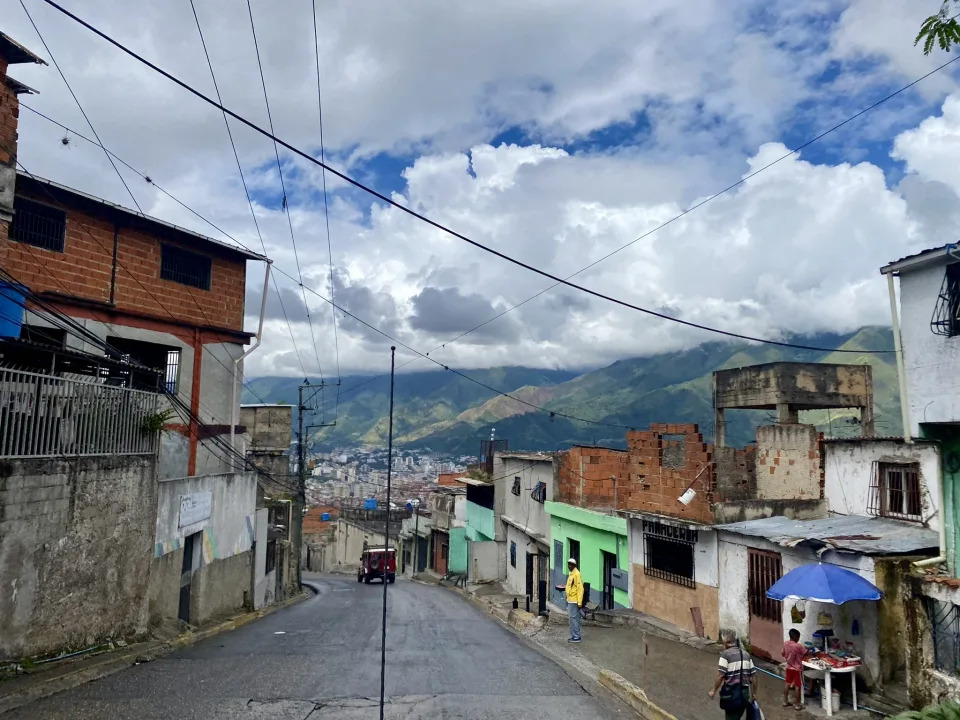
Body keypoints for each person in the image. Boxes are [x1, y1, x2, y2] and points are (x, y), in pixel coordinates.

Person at [708, 630, 757, 720]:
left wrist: (713, 690)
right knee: (738, 715)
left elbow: (720, 675)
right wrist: (754, 694)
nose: (723, 645)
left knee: (731, 717)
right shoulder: (746, 654)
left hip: (732, 694)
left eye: (724, 643)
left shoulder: (725, 655)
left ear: (728, 642)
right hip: (744, 695)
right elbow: (754, 676)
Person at [782, 628, 806, 710]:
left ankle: (785, 701)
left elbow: (783, 653)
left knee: (787, 683)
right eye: (798, 637)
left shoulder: (785, 643)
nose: (799, 639)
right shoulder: (798, 646)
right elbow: (805, 652)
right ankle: (797, 705)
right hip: (797, 669)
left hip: (788, 667)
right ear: (795, 637)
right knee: (797, 686)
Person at [565, 558, 583, 643]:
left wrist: (579, 602)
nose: (569, 566)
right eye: (569, 564)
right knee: (572, 619)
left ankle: (576, 637)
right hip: (570, 599)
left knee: (574, 618)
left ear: (574, 565)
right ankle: (574, 636)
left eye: (571, 564)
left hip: (574, 601)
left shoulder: (576, 574)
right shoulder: (571, 574)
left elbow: (580, 589)